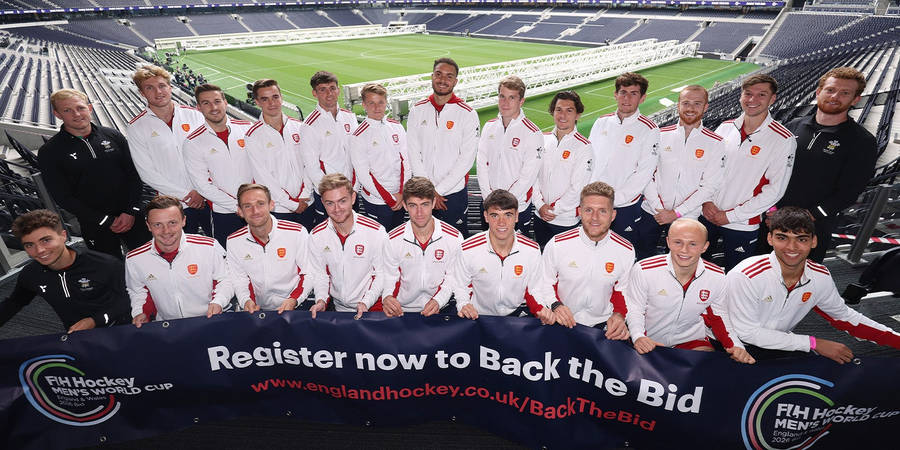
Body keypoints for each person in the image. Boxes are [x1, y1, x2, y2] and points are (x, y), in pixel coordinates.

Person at [726, 207, 900, 363]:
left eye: (801, 239)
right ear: (770, 239)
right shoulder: (746, 275)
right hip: (730, 346)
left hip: (780, 343)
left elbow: (844, 317)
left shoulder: (819, 276)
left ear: (813, 241)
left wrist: (897, 340)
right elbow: (747, 333)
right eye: (782, 238)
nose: (791, 247)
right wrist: (813, 343)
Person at [770, 67, 877, 262]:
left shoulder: (861, 141)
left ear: (855, 100)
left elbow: (849, 192)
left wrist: (809, 216)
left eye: (845, 93)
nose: (835, 96)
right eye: (830, 90)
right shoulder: (793, 126)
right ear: (818, 92)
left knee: (799, 282)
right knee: (759, 275)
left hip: (812, 227)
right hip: (772, 220)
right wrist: (770, 211)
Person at [625, 218, 754, 363]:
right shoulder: (644, 269)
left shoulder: (716, 276)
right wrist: (638, 336)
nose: (684, 250)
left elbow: (718, 316)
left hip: (690, 340)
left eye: (693, 244)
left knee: (707, 363)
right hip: (649, 339)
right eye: (678, 242)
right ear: (668, 242)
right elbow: (635, 308)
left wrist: (735, 345)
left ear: (705, 247)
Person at [38, 89, 149, 259]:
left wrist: (131, 211)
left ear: (89, 108)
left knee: (149, 263)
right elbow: (62, 196)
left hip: (133, 217)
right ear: (57, 114)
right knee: (109, 271)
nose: (76, 114)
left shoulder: (113, 135)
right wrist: (105, 219)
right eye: (67, 110)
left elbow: (134, 174)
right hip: (95, 224)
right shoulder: (50, 151)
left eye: (80, 108)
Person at [707, 74, 796, 271]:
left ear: (772, 99)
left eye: (761, 95)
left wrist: (731, 215)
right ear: (740, 96)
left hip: (742, 222)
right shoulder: (725, 127)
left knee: (736, 275)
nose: (752, 100)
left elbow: (775, 190)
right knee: (696, 268)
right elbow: (708, 169)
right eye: (748, 94)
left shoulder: (783, 139)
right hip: (707, 213)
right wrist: (706, 201)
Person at [530, 182, 633, 339]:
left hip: (603, 327)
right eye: (589, 210)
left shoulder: (626, 250)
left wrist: (619, 315)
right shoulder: (558, 244)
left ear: (613, 215)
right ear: (579, 212)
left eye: (603, 211)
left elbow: (622, 290)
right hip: (562, 322)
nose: (595, 218)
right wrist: (555, 305)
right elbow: (544, 283)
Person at [0, 210, 130, 333]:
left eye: (46, 240)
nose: (39, 250)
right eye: (29, 245)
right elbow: (15, 302)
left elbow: (132, 298)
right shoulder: (31, 274)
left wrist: (96, 320)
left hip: (122, 331)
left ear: (63, 236)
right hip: (77, 337)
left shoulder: (105, 264)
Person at [637, 85, 726, 260]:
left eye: (697, 103)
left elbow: (709, 186)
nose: (690, 108)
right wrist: (659, 209)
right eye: (686, 103)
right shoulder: (660, 134)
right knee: (642, 258)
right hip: (652, 212)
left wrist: (676, 213)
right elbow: (646, 173)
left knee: (681, 263)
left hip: (688, 216)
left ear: (705, 107)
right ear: (678, 105)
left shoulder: (715, 142)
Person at [127, 65, 210, 235]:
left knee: (221, 247)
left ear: (170, 87)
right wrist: (187, 194)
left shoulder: (194, 115)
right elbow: (147, 172)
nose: (158, 92)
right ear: (142, 93)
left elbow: (210, 156)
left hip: (210, 197)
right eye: (150, 88)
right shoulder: (136, 126)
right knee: (187, 255)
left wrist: (202, 190)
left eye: (162, 86)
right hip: (174, 204)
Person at [126, 195, 233, 326]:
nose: (166, 231)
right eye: (158, 224)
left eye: (172, 223)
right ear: (148, 226)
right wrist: (140, 313)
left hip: (210, 321)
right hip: (168, 328)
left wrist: (218, 302)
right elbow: (138, 291)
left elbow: (225, 279)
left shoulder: (209, 246)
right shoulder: (135, 259)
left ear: (183, 221)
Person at [407, 58, 480, 237]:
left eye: (449, 76)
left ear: (455, 81)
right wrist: (428, 190)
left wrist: (438, 191)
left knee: (455, 242)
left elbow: (467, 159)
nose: (442, 80)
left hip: (452, 195)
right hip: (422, 194)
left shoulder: (468, 113)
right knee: (423, 239)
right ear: (432, 77)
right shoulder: (417, 109)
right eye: (438, 74)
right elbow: (413, 152)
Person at [451, 190, 548, 322]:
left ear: (516, 216)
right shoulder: (468, 248)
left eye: (508, 215)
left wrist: (541, 309)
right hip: (479, 316)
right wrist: (464, 304)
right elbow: (460, 286)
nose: (501, 222)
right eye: (495, 215)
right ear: (486, 216)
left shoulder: (532, 250)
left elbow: (534, 288)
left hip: (518, 315)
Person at [588, 72, 659, 248]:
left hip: (624, 206)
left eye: (633, 93)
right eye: (623, 92)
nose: (627, 98)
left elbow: (644, 173)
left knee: (620, 252)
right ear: (615, 95)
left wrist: (614, 199)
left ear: (642, 98)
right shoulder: (601, 122)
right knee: (591, 247)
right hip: (594, 201)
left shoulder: (649, 129)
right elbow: (589, 161)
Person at [182, 84, 254, 246]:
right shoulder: (192, 142)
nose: (213, 107)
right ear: (199, 107)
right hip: (224, 213)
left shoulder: (247, 129)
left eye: (217, 101)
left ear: (225, 102)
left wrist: (253, 204)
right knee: (229, 261)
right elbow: (202, 185)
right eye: (206, 103)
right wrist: (238, 206)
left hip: (257, 209)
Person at [308, 174, 388, 319]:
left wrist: (366, 302)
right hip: (339, 309)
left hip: (373, 307)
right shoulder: (316, 235)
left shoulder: (376, 231)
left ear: (353, 198)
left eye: (342, 201)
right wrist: (321, 300)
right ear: (322, 203)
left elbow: (382, 274)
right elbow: (321, 275)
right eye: (330, 203)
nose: (337, 209)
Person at [382, 177, 463, 317]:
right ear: (405, 206)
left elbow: (453, 278)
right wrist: (387, 297)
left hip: (441, 308)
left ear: (434, 203)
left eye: (424, 204)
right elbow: (389, 276)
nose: (419, 213)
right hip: (403, 311)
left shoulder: (454, 238)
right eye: (413, 205)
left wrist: (439, 300)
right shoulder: (392, 239)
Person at [226, 184, 313, 314]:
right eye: (247, 206)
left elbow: (309, 272)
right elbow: (240, 279)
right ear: (240, 211)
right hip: (259, 310)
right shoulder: (234, 241)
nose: (255, 211)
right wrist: (246, 301)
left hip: (298, 304)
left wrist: (294, 299)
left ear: (271, 205)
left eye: (260, 203)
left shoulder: (297, 232)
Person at [243, 79, 316, 229]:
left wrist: (305, 193)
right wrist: (291, 203)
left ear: (281, 97)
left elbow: (310, 163)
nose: (272, 103)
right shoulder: (253, 136)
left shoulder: (299, 127)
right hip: (281, 209)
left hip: (308, 201)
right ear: (257, 102)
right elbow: (262, 177)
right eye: (265, 99)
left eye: (275, 97)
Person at [476, 75, 543, 235]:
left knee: (517, 254)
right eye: (502, 96)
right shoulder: (489, 126)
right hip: (488, 203)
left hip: (517, 207)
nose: (505, 102)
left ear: (521, 101)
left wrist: (505, 204)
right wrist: (488, 197)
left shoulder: (532, 132)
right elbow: (481, 162)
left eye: (512, 98)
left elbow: (528, 175)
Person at [532, 91, 593, 247]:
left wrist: (554, 210)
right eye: (559, 109)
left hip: (565, 220)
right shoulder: (543, 139)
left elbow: (578, 187)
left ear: (578, 114)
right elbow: (533, 175)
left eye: (569, 110)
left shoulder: (584, 146)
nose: (563, 115)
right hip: (540, 215)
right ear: (553, 111)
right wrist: (539, 205)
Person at [299, 71, 359, 228]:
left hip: (352, 190)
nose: (329, 93)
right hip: (329, 196)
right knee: (328, 238)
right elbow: (311, 166)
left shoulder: (350, 117)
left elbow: (357, 154)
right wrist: (331, 195)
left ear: (338, 90)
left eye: (332, 88)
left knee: (354, 233)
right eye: (322, 89)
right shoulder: (309, 125)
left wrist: (354, 188)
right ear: (314, 93)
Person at [349, 83, 410, 230]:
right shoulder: (358, 135)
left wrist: (402, 193)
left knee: (396, 238)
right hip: (377, 201)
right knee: (378, 242)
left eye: (380, 102)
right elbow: (364, 175)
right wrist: (389, 198)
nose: (377, 107)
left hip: (400, 197)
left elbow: (406, 162)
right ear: (364, 104)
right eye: (371, 103)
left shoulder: (397, 127)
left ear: (386, 103)